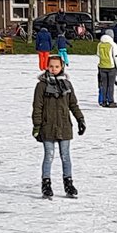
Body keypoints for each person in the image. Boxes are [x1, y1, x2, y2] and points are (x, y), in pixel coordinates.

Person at [33, 56, 85, 199]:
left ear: (62, 67)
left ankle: (68, 183)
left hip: (64, 125)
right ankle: (46, 184)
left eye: (57, 66)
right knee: (49, 155)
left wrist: (80, 119)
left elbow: (73, 104)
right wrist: (37, 126)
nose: (54, 69)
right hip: (47, 126)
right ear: (47, 67)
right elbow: (37, 107)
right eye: (51, 66)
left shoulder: (67, 84)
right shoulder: (42, 85)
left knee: (65, 156)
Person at [95, 31, 117, 108]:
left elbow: (98, 54)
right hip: (111, 67)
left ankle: (104, 101)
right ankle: (111, 101)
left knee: (104, 85)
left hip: (102, 66)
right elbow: (116, 57)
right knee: (110, 85)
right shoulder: (113, 45)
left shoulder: (99, 44)